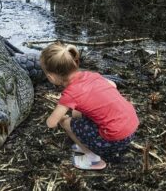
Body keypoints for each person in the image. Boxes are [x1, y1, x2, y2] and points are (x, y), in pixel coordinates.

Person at [40, 42, 139, 170]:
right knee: (78, 114)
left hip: (115, 139)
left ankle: (93, 159)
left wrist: (56, 116)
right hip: (131, 129)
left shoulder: (70, 95)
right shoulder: (91, 75)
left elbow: (51, 123)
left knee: (65, 122)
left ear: (51, 77)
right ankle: (86, 142)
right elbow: (112, 84)